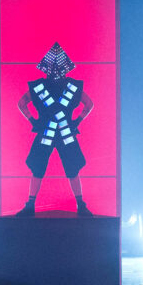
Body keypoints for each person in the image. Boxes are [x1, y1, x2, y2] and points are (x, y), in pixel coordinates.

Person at [15, 42, 95, 216]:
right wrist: (77, 121)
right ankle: (80, 205)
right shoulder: (72, 87)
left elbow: (21, 103)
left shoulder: (38, 87)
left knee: (43, 169)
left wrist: (32, 121)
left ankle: (31, 205)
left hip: (47, 132)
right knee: (67, 169)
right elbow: (89, 104)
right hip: (65, 132)